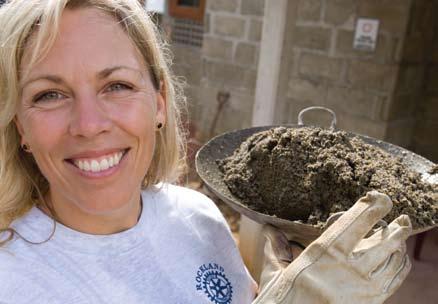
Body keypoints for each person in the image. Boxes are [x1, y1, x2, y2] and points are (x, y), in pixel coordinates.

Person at [0, 1, 411, 303]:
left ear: (159, 103)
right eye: (49, 94)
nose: (89, 125)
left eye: (117, 86)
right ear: (20, 126)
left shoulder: (198, 216)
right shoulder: (13, 279)